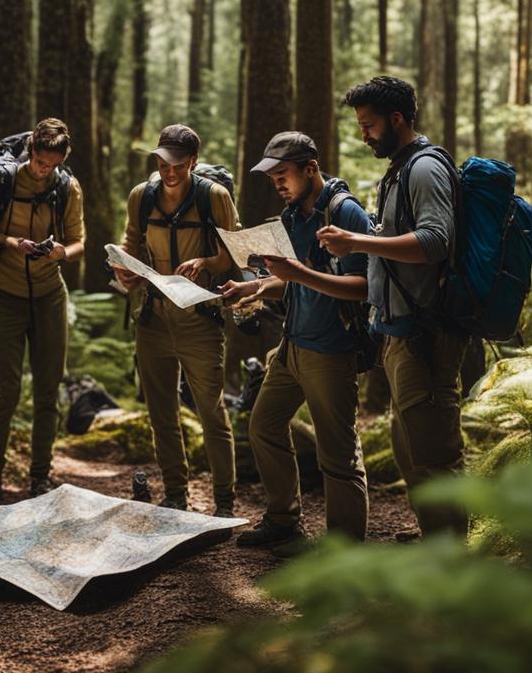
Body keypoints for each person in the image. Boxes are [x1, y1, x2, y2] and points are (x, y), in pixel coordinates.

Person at [318, 76, 470, 539]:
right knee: (409, 447)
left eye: (368, 125)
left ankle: (448, 557)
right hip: (400, 333)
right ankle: (433, 536)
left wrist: (357, 240)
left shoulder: (423, 169)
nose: (363, 135)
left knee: (433, 452)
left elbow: (434, 242)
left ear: (397, 119)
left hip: (427, 335)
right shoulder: (400, 169)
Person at [222, 131, 373, 555]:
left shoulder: (346, 214)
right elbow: (289, 283)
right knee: (263, 424)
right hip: (291, 346)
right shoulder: (291, 216)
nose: (278, 184)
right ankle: (283, 520)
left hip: (332, 349)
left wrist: (295, 275)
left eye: (283, 174)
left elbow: (363, 287)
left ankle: (344, 549)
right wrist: (251, 288)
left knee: (338, 456)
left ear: (311, 168)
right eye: (272, 178)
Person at [113, 125, 238, 516]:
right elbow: (130, 244)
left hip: (200, 317)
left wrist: (205, 262)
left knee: (211, 410)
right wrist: (124, 271)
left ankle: (223, 502)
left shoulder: (213, 197)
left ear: (194, 163)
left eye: (178, 165)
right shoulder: (141, 196)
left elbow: (236, 255)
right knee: (161, 412)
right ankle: (175, 493)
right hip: (153, 316)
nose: (169, 172)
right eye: (163, 163)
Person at [0, 118, 85, 502]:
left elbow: (79, 242)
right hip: (5, 294)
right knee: (6, 389)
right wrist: (9, 242)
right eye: (38, 160)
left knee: (48, 390)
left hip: (50, 296)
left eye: (51, 164)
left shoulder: (67, 188)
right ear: (30, 149)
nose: (42, 170)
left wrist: (60, 253)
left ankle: (40, 476)